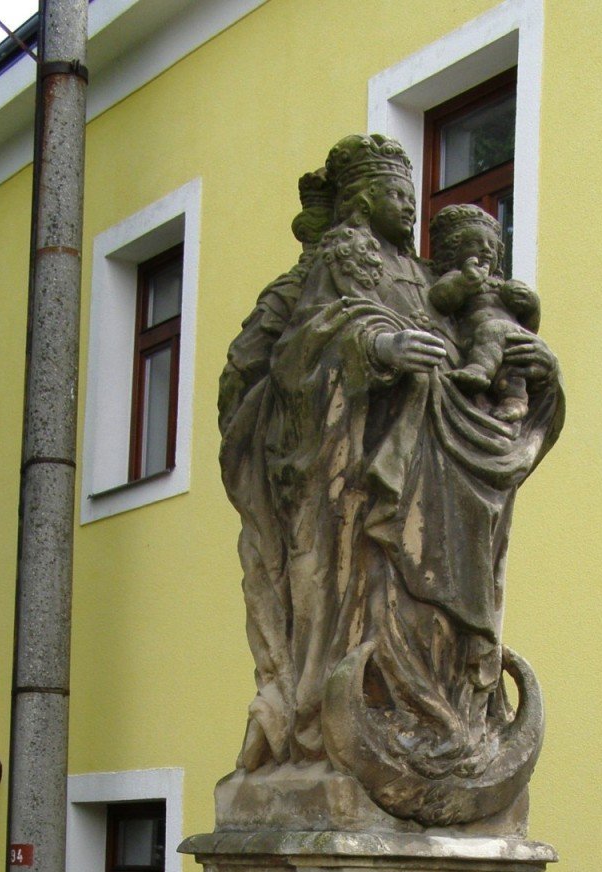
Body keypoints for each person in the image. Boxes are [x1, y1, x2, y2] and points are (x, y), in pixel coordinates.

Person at [219, 133, 564, 823]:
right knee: (370, 597)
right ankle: (344, 722)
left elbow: (481, 355)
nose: (410, 208)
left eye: (414, 196)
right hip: (354, 487)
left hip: (444, 473)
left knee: (441, 602)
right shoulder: (331, 265)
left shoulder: (432, 278)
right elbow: (275, 363)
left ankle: (450, 723)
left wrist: (534, 368)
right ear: (362, 199)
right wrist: (378, 345)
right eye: (398, 195)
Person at [427, 203, 541, 423]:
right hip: (478, 342)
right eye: (474, 243)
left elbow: (530, 327)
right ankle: (498, 387)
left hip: (508, 340)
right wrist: (464, 282)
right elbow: (440, 300)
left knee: (512, 365)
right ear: (454, 250)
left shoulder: (502, 286)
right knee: (504, 368)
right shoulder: (457, 277)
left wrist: (532, 305)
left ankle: (512, 398)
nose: (486, 249)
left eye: (491, 245)